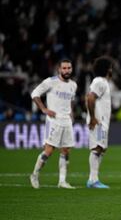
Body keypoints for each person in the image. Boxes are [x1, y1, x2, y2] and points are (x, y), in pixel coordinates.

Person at [29, 59, 77, 189]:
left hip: (67, 121)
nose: (67, 70)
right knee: (49, 151)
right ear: (59, 69)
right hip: (54, 120)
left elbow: (70, 102)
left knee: (66, 150)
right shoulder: (51, 82)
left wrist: (71, 115)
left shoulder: (73, 85)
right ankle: (34, 174)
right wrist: (44, 109)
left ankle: (62, 181)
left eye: (69, 68)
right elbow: (35, 94)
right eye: (64, 68)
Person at [86, 56, 113, 189]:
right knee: (97, 148)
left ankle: (93, 178)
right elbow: (90, 98)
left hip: (102, 121)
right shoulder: (100, 82)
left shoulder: (102, 82)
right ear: (107, 69)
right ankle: (93, 180)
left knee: (102, 148)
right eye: (111, 67)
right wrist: (92, 118)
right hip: (98, 121)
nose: (112, 69)